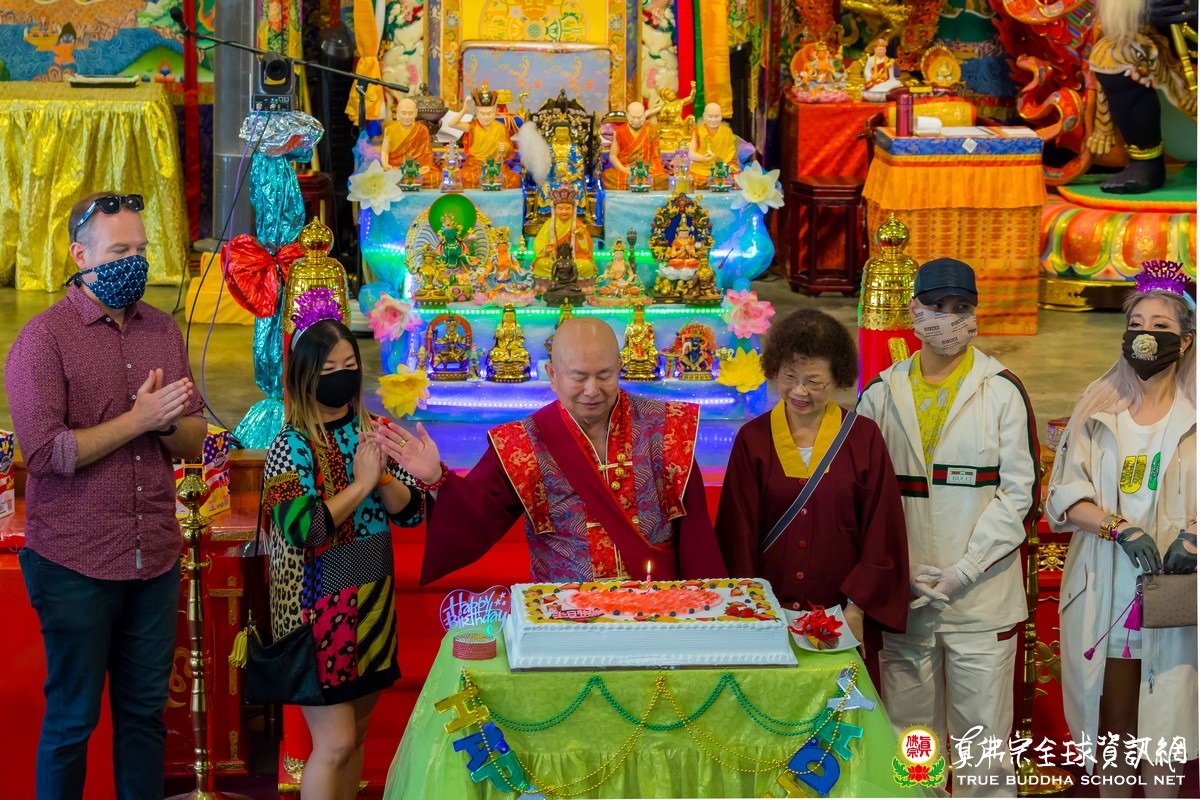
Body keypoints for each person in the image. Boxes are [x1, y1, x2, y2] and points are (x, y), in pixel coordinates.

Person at [4, 191, 207, 799]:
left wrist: (166, 423)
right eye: (120, 252)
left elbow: (194, 435)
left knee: (144, 720)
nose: (134, 262)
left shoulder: (162, 331)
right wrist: (138, 419)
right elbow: (45, 454)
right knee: (72, 721)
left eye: (141, 250)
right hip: (75, 562)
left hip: (155, 557)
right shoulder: (43, 340)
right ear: (80, 256)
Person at [857, 258, 1040, 797]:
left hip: (980, 602)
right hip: (907, 602)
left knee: (983, 749)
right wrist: (902, 569)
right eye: (937, 307)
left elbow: (1019, 496)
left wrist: (965, 569)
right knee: (912, 743)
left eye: (961, 308)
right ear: (914, 310)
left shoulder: (1001, 390)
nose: (949, 319)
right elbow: (863, 499)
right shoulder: (880, 393)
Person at [377, 317, 728, 583]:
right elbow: (478, 514)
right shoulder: (522, 442)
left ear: (620, 368)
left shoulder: (667, 427)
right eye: (579, 377)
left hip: (659, 607)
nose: (592, 390)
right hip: (566, 612)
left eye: (604, 375)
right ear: (552, 374)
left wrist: (707, 606)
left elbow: (696, 532)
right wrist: (437, 478)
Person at [1046, 267, 1197, 794]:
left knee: (1166, 729)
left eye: (1160, 325)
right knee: (1112, 732)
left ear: (1185, 340)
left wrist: (1194, 538)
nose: (1145, 336)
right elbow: (1063, 494)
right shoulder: (1098, 407)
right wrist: (1118, 528)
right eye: (1136, 325)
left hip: (1176, 598)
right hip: (1106, 591)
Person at [264, 318, 424, 800]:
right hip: (315, 609)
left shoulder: (373, 430)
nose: (342, 376)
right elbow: (303, 528)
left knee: (355, 736)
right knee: (333, 744)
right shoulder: (289, 446)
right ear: (304, 376)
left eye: (350, 364)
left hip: (373, 597)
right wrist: (360, 485)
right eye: (329, 369)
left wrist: (383, 478)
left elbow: (413, 513)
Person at [716, 310, 909, 684]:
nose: (799, 391)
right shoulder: (753, 440)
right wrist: (751, 611)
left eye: (814, 381)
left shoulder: (863, 438)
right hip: (769, 620)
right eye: (789, 377)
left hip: (841, 618)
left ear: (837, 378)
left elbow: (881, 532)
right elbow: (736, 534)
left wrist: (857, 609)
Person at [446, 82, 522, 189]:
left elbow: (508, 149)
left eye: (489, 113)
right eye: (482, 114)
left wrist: (505, 147)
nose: (486, 117)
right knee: (464, 177)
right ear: (476, 113)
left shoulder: (500, 127)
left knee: (515, 179)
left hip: (495, 166)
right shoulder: (473, 126)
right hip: (476, 165)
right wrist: (464, 110)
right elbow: (451, 124)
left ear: (494, 112)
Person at [532, 187, 597, 291]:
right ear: (555, 209)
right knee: (541, 264)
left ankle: (575, 287)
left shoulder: (578, 225)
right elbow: (539, 242)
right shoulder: (549, 224)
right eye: (560, 208)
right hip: (554, 260)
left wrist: (581, 237)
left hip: (574, 260)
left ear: (573, 209)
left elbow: (587, 250)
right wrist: (545, 249)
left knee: (585, 266)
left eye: (567, 208)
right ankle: (548, 286)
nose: (564, 212)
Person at [602, 102, 668, 190]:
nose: (636, 121)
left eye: (639, 117)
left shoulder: (652, 131)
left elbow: (656, 157)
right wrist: (624, 170)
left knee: (663, 178)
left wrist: (647, 170)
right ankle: (643, 185)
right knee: (607, 176)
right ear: (627, 115)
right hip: (626, 169)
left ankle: (636, 184)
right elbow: (613, 156)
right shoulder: (619, 131)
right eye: (633, 117)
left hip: (646, 169)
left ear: (644, 115)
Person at [380, 98, 437, 188]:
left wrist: (426, 166)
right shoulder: (390, 129)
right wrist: (385, 164)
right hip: (396, 168)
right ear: (398, 112)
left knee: (436, 177)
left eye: (410, 113)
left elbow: (427, 153)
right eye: (403, 113)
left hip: (416, 169)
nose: (407, 117)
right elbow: (384, 151)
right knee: (384, 176)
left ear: (416, 113)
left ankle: (404, 181)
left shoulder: (422, 129)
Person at [688, 102, 742, 188]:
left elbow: (731, 153)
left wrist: (724, 164)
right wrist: (703, 158)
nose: (713, 120)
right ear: (704, 116)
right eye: (710, 116)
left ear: (721, 116)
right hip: (702, 167)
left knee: (737, 177)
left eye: (716, 116)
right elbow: (691, 153)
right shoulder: (698, 131)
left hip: (722, 167)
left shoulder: (727, 131)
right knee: (691, 179)